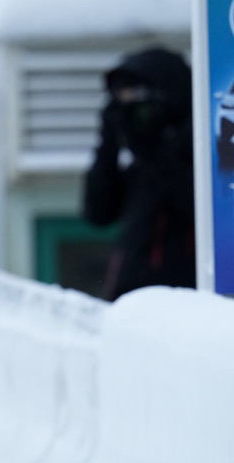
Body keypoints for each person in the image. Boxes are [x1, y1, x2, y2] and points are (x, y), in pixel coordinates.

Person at [82, 46, 195, 301]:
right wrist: (109, 142)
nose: (133, 108)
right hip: (129, 298)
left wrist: (155, 152)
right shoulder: (139, 166)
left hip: (185, 301)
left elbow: (191, 202)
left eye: (139, 95)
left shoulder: (202, 153)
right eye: (123, 97)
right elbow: (98, 213)